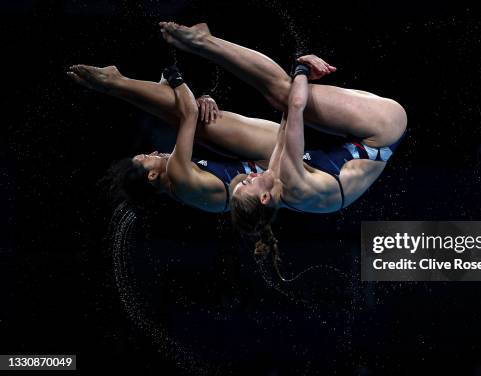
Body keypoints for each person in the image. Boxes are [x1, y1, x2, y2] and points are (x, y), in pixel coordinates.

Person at [157, 22, 407, 249]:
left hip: (368, 139)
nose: (246, 177)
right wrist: (302, 68)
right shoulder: (288, 180)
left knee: (280, 94)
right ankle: (203, 41)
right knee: (283, 91)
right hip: (385, 126)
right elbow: (294, 106)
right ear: (265, 198)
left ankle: (204, 42)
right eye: (246, 184)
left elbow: (287, 117)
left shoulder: (278, 183)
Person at [67, 64, 278, 212]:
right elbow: (190, 113)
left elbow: (190, 115)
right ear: (151, 176)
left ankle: (116, 85)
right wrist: (174, 76)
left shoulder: (178, 186)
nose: (154, 152)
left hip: (263, 166)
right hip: (275, 157)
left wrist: (200, 99)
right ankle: (117, 83)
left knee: (194, 121)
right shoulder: (177, 174)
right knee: (197, 119)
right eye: (146, 157)